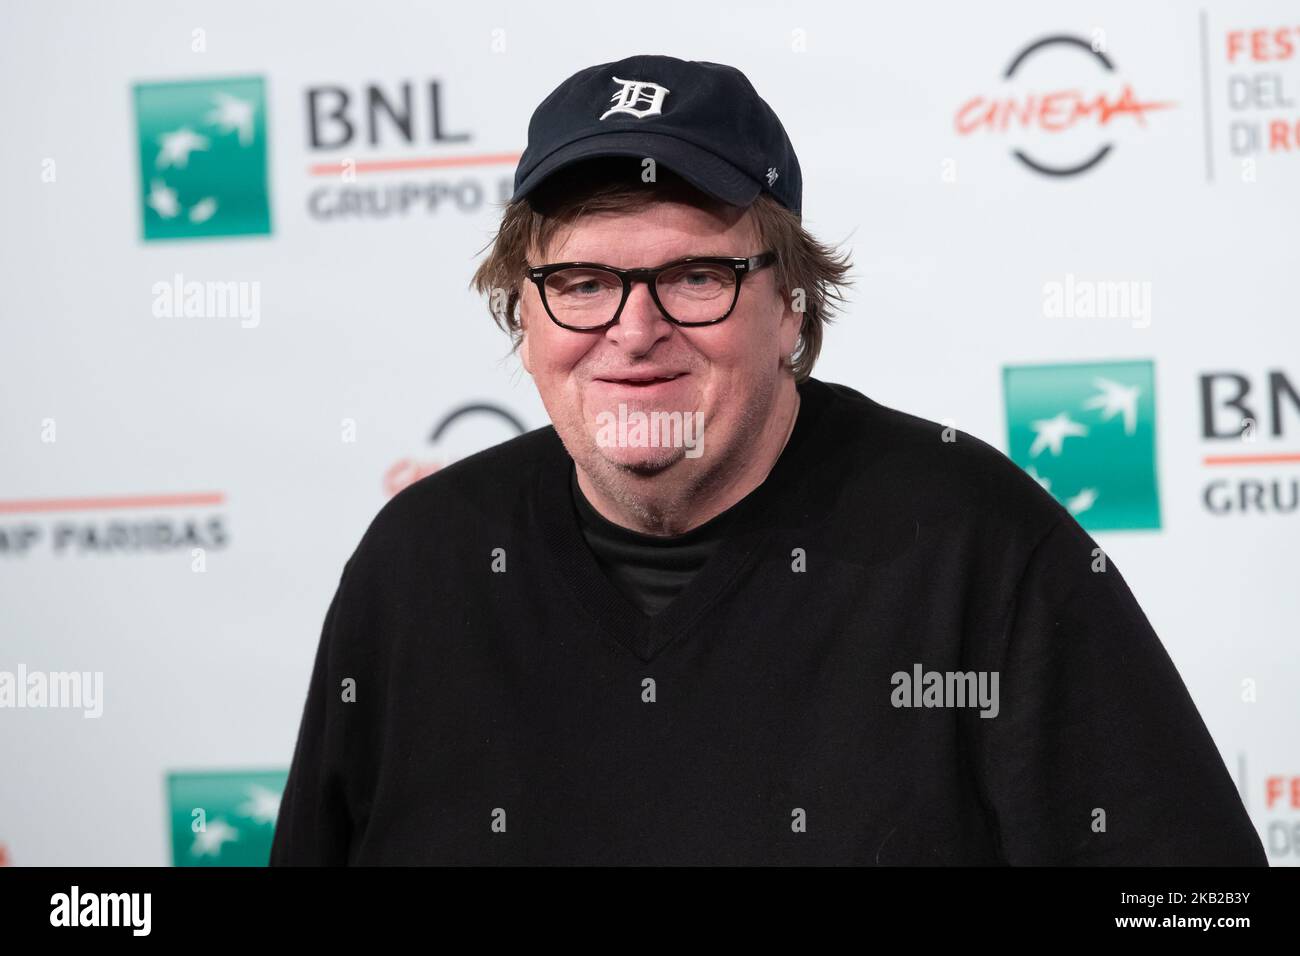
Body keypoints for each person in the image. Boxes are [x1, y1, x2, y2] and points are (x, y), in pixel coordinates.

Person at [270, 54, 1266, 865]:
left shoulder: (976, 546)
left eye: (694, 276)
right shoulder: (419, 566)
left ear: (790, 303)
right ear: (521, 313)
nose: (633, 328)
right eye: (580, 281)